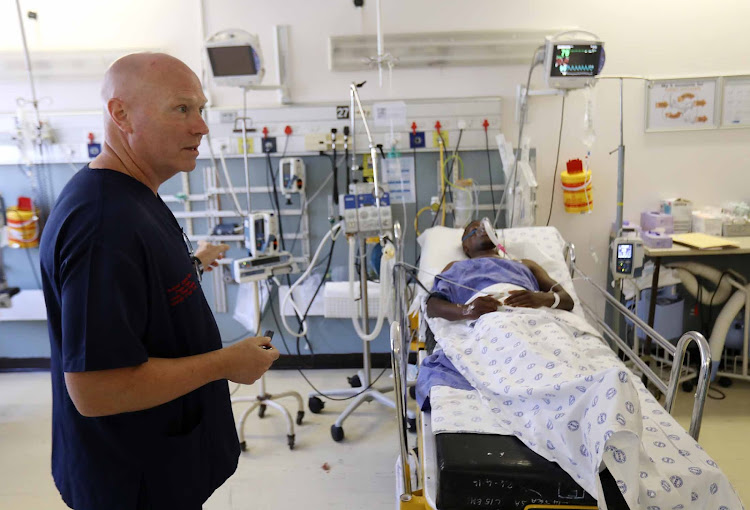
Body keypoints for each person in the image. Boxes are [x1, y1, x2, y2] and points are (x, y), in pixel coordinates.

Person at [39, 53, 279, 510]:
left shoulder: (135, 195)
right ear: (121, 114)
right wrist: (227, 363)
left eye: (201, 110)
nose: (201, 127)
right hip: (133, 482)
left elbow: (138, 289)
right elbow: (96, 389)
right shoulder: (102, 225)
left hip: (163, 463)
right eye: (182, 109)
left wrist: (192, 262)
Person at [426, 219, 574, 321]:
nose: (482, 229)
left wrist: (540, 298)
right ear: (466, 247)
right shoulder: (456, 267)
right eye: (474, 230)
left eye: (486, 227)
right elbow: (432, 306)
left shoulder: (525, 264)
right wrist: (467, 310)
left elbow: (567, 300)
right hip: (483, 321)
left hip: (531, 316)